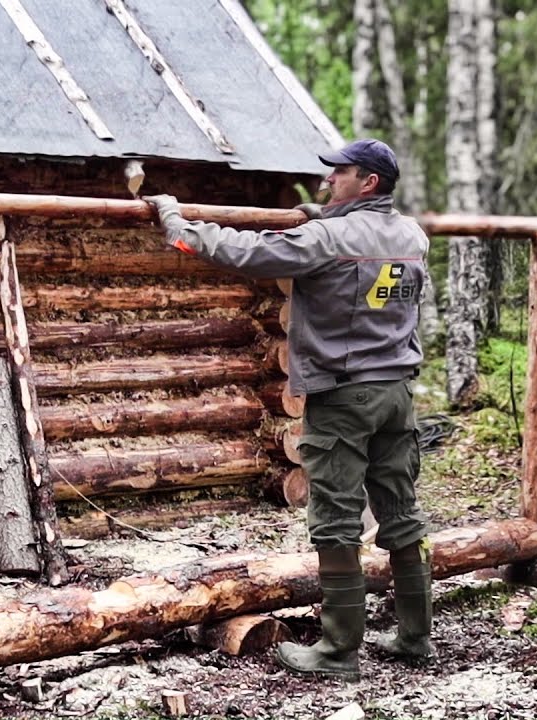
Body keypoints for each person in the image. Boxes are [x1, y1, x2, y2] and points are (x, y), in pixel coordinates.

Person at [144, 138, 434, 680]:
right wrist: (321, 218)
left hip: (343, 397)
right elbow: (356, 248)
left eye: (340, 173)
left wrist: (178, 225)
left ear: (368, 182)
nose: (328, 180)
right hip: (396, 394)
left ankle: (338, 652)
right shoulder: (411, 235)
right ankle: (416, 637)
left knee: (336, 522)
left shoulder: (328, 238)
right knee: (401, 512)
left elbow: (248, 252)